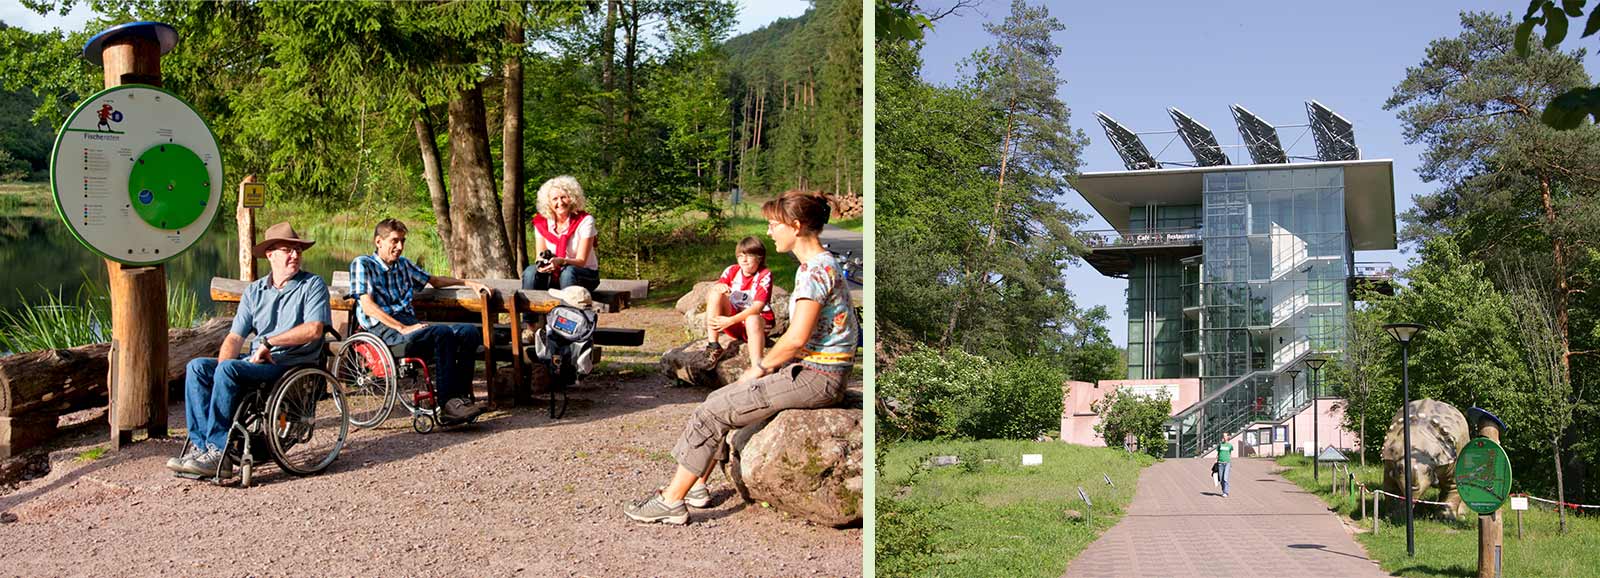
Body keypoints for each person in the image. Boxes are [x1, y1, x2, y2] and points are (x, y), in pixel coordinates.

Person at [626, 190, 858, 525]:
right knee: (718, 400)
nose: (769, 232)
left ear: (794, 226)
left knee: (712, 411)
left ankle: (671, 501)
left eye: (773, 224)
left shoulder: (815, 272)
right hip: (814, 372)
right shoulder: (821, 265)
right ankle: (695, 486)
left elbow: (795, 338)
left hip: (817, 377)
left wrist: (759, 368)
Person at [168, 222, 331, 477]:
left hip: (289, 365)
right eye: (287, 250)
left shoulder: (312, 285)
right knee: (198, 367)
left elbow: (314, 330)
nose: (295, 255)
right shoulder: (255, 291)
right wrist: (222, 366)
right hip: (256, 362)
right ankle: (202, 450)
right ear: (270, 255)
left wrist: (269, 343)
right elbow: (234, 337)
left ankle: (218, 452)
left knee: (231, 370)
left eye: (298, 250)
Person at [349, 218, 489, 423]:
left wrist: (469, 283)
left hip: (409, 325)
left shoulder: (403, 265)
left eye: (403, 241)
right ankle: (448, 404)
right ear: (379, 242)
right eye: (394, 241)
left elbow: (435, 281)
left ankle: (461, 399)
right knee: (441, 334)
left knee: (468, 331)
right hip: (384, 330)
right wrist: (402, 327)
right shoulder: (363, 264)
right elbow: (368, 306)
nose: (400, 247)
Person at [521, 175, 600, 335]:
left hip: (584, 274)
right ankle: (530, 327)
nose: (560, 203)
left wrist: (561, 261)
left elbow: (581, 260)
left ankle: (569, 327)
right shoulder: (541, 223)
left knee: (568, 271)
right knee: (530, 272)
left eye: (564, 197)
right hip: (554, 275)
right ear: (548, 203)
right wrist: (543, 264)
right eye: (555, 199)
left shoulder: (585, 221)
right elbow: (539, 256)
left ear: (572, 198)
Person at [704, 236, 775, 369]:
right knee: (715, 293)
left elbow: (758, 307)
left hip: (756, 323)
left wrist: (730, 320)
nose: (744, 259)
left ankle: (757, 367)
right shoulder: (732, 270)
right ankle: (713, 346)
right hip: (735, 322)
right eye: (740, 256)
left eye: (749, 255)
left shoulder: (764, 275)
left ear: (759, 257)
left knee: (752, 319)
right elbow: (711, 297)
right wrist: (718, 288)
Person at [1217, 432, 1235, 497]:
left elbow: (1230, 453)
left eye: (1225, 436)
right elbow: (1218, 452)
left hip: (1227, 463)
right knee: (1221, 479)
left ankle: (1226, 492)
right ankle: (1223, 490)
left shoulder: (1230, 445)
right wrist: (1216, 460)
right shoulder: (1220, 445)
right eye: (1223, 436)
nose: (1224, 437)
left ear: (1227, 437)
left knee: (1225, 478)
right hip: (1220, 463)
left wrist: (1230, 461)